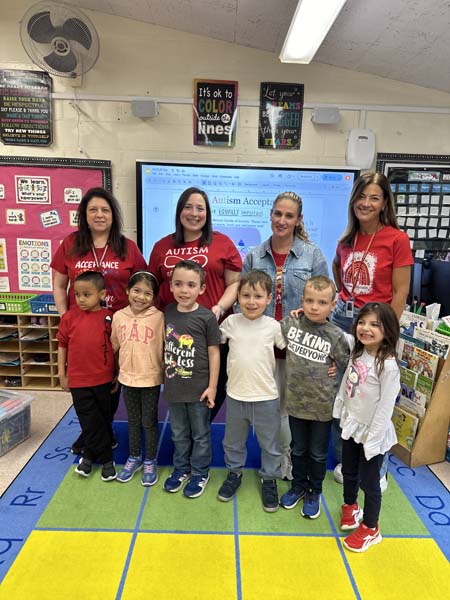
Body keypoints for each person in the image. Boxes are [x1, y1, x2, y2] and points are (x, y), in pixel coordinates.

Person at [330, 173, 413, 485]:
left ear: (384, 203)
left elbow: (401, 293)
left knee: (373, 397)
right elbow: (340, 276)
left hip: (376, 328)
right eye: (361, 196)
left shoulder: (396, 239)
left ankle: (376, 466)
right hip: (345, 320)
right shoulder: (345, 241)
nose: (366, 203)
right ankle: (345, 460)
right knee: (346, 392)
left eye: (374, 197)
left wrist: (384, 336)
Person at [51, 187, 147, 454]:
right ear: (84, 214)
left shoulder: (127, 247)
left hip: (117, 329)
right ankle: (95, 433)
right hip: (81, 331)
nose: (99, 215)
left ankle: (99, 432)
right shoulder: (71, 244)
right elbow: (59, 285)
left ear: (113, 215)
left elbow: (141, 284)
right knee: (84, 385)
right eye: (93, 209)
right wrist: (64, 317)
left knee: (111, 383)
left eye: (105, 210)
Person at [242, 191, 328, 479]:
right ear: (270, 215)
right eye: (277, 214)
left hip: (298, 347)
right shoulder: (254, 255)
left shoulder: (312, 255)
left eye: (289, 215)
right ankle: (273, 456)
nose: (282, 220)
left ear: (299, 220)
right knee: (268, 407)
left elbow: (326, 299)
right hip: (262, 346)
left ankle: (288, 459)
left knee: (291, 407)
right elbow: (245, 299)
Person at [148, 187, 242, 421]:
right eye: (188, 207)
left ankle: (201, 433)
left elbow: (235, 284)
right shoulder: (162, 246)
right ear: (179, 211)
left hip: (212, 332)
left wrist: (219, 308)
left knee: (213, 389)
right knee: (180, 390)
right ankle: (186, 434)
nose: (194, 213)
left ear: (207, 213)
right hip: (175, 336)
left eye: (200, 208)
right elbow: (153, 287)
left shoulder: (222, 243)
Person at [279, 276, 350, 519]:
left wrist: (335, 367)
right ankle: (298, 486)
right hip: (296, 404)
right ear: (302, 301)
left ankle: (314, 491)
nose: (314, 307)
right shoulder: (292, 324)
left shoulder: (336, 335)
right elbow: (279, 326)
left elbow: (347, 363)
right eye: (309, 301)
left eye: (321, 302)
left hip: (321, 407)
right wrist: (293, 313)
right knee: (297, 449)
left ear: (332, 305)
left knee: (318, 453)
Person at [333, 302, 400, 552]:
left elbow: (385, 409)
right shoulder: (357, 352)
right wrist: (340, 407)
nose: (365, 328)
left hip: (373, 433)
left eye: (374, 324)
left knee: (370, 482)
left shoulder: (388, 366)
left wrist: (373, 440)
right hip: (352, 425)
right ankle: (351, 506)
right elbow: (347, 384)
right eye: (362, 322)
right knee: (349, 471)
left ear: (388, 330)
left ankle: (371, 527)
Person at [217, 270, 286, 513]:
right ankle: (234, 473)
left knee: (270, 444)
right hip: (236, 395)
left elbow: (289, 347)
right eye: (245, 295)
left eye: (258, 296)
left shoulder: (273, 326)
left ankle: (269, 478)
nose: (251, 301)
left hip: (266, 397)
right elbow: (212, 343)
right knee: (233, 442)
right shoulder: (230, 323)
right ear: (237, 298)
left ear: (269, 299)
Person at [163, 260, 221, 498]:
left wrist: (213, 387)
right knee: (178, 433)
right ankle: (181, 469)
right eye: (178, 284)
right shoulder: (167, 312)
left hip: (199, 390)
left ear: (202, 289)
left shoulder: (206, 317)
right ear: (171, 286)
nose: (184, 290)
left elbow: (214, 353)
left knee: (200, 434)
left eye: (190, 285)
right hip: (175, 389)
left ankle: (199, 473)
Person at [57, 271, 116, 482]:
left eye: (87, 294)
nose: (81, 299)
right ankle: (107, 459)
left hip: (103, 378)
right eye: (77, 294)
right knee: (88, 419)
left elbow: (115, 347)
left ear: (101, 294)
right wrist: (61, 374)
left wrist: (115, 374)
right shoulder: (70, 317)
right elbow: (62, 346)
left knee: (101, 417)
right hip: (79, 380)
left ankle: (89, 455)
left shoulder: (109, 317)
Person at [111, 271, 164, 486]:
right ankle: (134, 457)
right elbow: (114, 346)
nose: (141, 297)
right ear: (127, 291)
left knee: (148, 421)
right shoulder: (118, 317)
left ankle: (150, 460)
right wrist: (114, 374)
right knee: (133, 421)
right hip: (127, 378)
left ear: (154, 297)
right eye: (136, 291)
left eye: (147, 293)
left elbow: (164, 346)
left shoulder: (159, 317)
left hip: (150, 378)